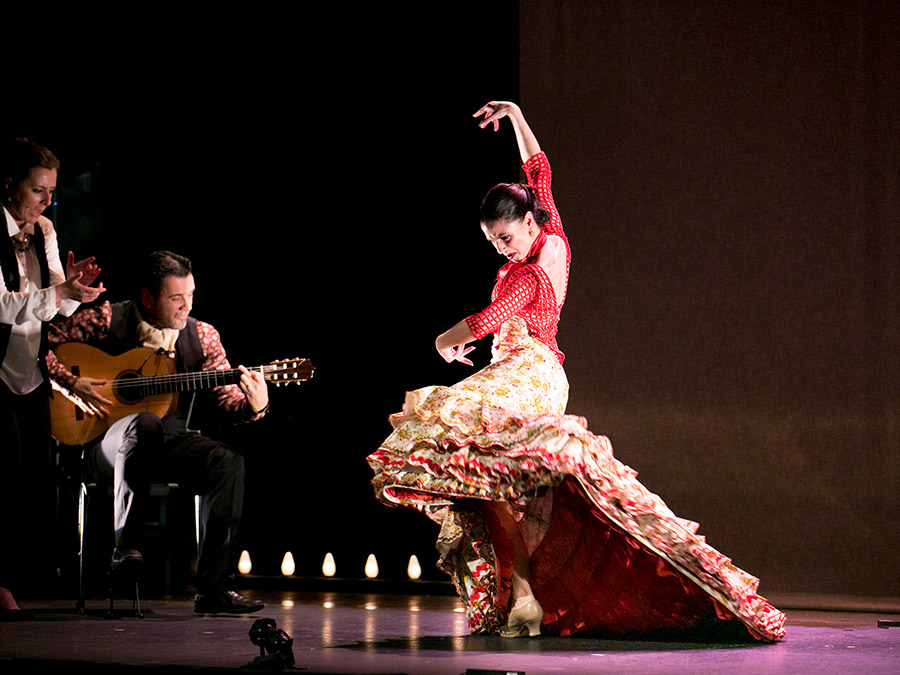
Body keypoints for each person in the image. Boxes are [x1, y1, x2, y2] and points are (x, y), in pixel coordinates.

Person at [367, 102, 786, 641]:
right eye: (492, 242)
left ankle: (526, 593)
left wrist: (443, 342)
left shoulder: (529, 273)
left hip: (530, 371)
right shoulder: (551, 229)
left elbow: (487, 320)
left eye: (505, 237)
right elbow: (537, 168)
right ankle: (523, 595)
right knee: (486, 477)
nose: (501, 248)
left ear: (526, 224)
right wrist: (516, 117)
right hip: (525, 371)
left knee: (455, 427)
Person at [47, 250, 266, 614]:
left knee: (227, 461)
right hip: (105, 446)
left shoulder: (203, 335)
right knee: (144, 423)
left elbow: (228, 402)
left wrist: (255, 405)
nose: (186, 306)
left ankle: (214, 589)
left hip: (169, 443)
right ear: (148, 298)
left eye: (190, 295)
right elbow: (41, 344)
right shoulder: (106, 319)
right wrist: (71, 383)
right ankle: (126, 550)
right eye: (176, 297)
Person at [1, 138, 105, 614]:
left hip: (30, 370)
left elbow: (53, 307)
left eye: (51, 192)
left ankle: (15, 576)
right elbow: (3, 307)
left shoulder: (43, 229)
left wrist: (74, 291)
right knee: (5, 472)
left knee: (33, 478)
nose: (46, 201)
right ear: (10, 184)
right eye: (37, 190)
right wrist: (59, 293)